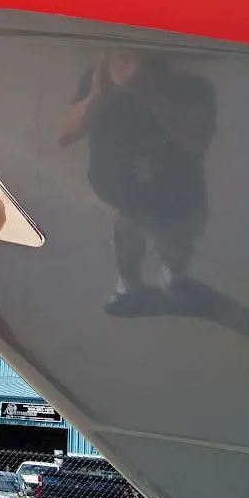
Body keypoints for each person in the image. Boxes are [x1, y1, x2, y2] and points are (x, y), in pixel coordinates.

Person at [58, 50, 216, 315]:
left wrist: (147, 92)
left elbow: (197, 140)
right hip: (117, 195)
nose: (131, 67)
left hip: (178, 198)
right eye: (124, 58)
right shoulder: (100, 81)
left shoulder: (192, 84)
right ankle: (129, 286)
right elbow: (64, 135)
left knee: (177, 246)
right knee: (126, 243)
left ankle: (174, 278)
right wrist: (98, 96)